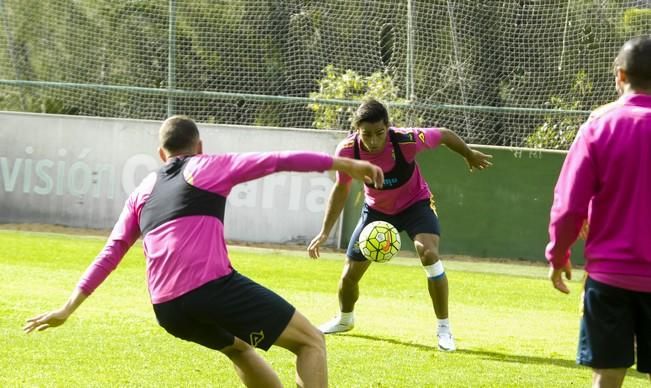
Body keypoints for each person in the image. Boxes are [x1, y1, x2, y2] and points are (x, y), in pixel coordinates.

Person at [23, 116, 384, 388]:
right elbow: (276, 160)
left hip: (167, 309)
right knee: (311, 341)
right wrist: (347, 164)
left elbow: (111, 252)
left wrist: (67, 308)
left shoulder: (142, 191)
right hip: (210, 289)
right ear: (200, 147)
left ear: (161, 154)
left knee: (238, 348)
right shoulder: (205, 166)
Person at [307, 98, 493, 351]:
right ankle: (344, 319)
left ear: (389, 127)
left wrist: (469, 154)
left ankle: (444, 329)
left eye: (379, 133)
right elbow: (341, 188)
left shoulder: (407, 140)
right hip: (376, 211)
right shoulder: (348, 150)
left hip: (415, 205)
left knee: (429, 254)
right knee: (349, 276)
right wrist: (324, 231)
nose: (373, 141)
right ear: (356, 130)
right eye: (367, 135)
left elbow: (446, 135)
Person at [546, 36, 651, 388]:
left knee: (607, 374)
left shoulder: (597, 126)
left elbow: (569, 204)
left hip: (609, 279)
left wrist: (558, 253)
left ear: (620, 75)